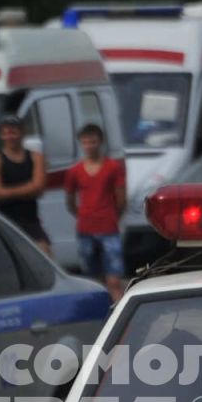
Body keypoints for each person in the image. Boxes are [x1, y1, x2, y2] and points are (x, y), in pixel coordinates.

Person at [59, 122, 127, 298]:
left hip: (109, 227)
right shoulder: (74, 171)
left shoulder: (113, 168)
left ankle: (119, 313)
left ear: (101, 142)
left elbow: (121, 199)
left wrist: (112, 215)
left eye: (93, 142)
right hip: (85, 228)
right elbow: (69, 200)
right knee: (92, 280)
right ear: (81, 144)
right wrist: (81, 214)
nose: (89, 146)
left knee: (113, 280)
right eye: (86, 142)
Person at [0, 114, 50, 254]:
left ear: (22, 133)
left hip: (31, 222)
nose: (10, 136)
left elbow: (39, 187)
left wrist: (7, 192)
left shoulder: (35, 157)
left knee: (45, 255)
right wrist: (28, 189)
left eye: (14, 132)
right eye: (6, 133)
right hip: (5, 221)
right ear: (1, 135)